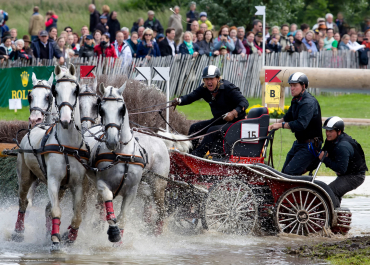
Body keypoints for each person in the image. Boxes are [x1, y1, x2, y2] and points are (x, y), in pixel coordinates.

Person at [171, 65, 249, 157]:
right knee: (194, 128)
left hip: (236, 123)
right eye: (206, 79)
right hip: (219, 121)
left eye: (211, 79)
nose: (209, 82)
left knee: (212, 130)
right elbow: (191, 97)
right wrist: (179, 100)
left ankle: (197, 156)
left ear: (218, 79)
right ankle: (187, 154)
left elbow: (244, 102)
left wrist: (233, 112)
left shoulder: (228, 88)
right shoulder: (204, 89)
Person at [268, 72, 323, 175]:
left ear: (303, 86)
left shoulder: (308, 103)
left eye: (294, 85)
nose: (292, 88)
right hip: (300, 143)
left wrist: (280, 125)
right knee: (283, 173)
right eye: (291, 85)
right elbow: (288, 117)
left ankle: (304, 184)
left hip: (310, 145)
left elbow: (301, 125)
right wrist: (272, 126)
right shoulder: (296, 100)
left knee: (290, 173)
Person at [320, 117, 368, 203]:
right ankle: (334, 211)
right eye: (326, 131)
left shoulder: (342, 146)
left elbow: (341, 169)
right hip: (348, 173)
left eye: (330, 131)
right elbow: (322, 153)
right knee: (330, 191)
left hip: (355, 176)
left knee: (329, 192)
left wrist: (325, 159)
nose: (327, 133)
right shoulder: (330, 140)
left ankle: (334, 214)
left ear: (339, 132)